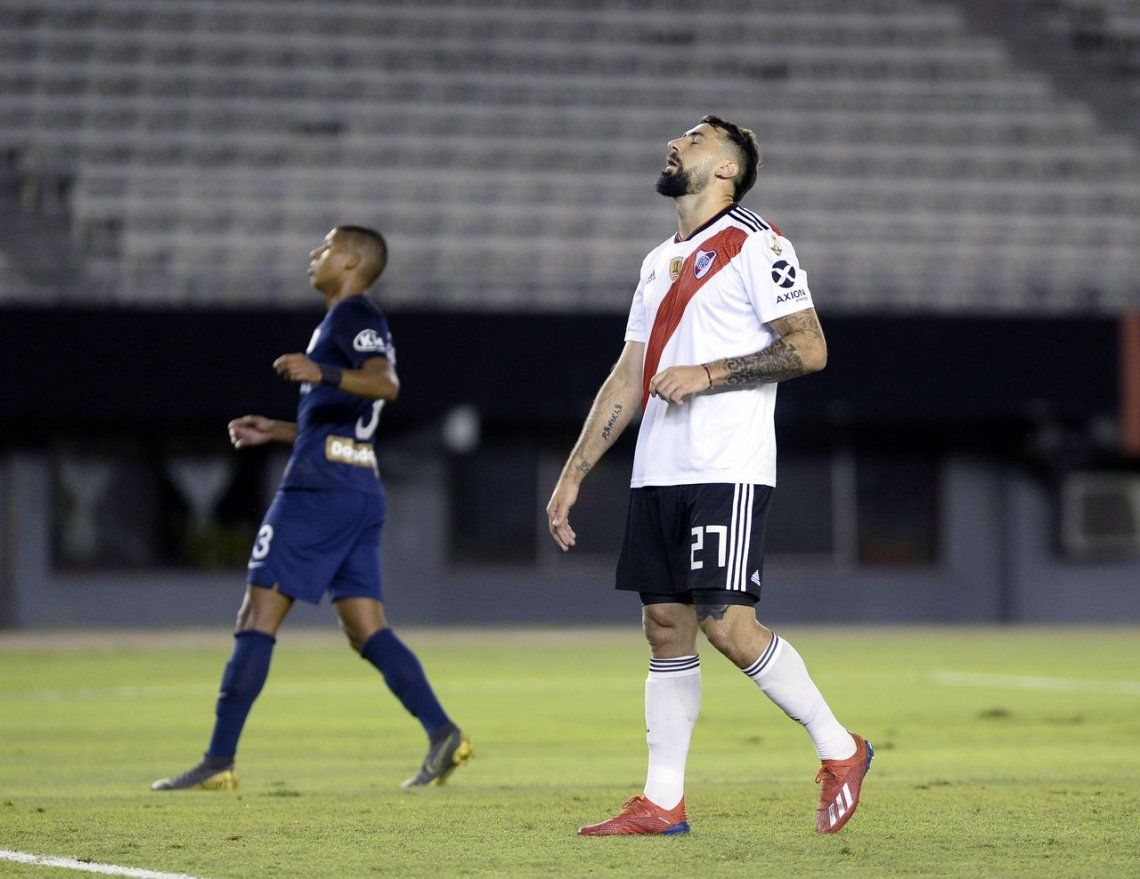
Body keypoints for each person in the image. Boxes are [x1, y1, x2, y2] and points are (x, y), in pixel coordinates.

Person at [546, 117, 871, 836]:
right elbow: (628, 374)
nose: (676, 141)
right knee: (665, 626)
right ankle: (663, 801)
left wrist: (710, 373)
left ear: (727, 169)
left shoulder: (760, 244)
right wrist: (575, 474)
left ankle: (841, 748)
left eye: (695, 137)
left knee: (726, 623)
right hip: (658, 471)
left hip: (726, 467)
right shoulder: (657, 258)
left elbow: (810, 349)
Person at [153, 225, 472, 792]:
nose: (313, 254)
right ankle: (443, 732)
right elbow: (343, 416)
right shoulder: (347, 321)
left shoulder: (354, 317)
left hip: (318, 491)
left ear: (350, 261)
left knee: (256, 618)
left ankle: (218, 761)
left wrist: (317, 370)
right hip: (357, 486)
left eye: (324, 247)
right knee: (365, 628)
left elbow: (386, 385)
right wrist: (278, 429)